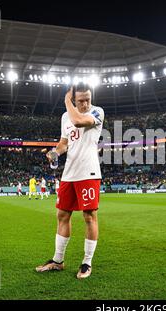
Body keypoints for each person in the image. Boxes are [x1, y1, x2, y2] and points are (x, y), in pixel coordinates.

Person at [36, 84, 104, 279]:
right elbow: (64, 143)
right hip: (69, 173)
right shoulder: (65, 117)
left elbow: (79, 121)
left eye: (87, 100)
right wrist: (55, 152)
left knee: (89, 216)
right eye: (80, 100)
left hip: (89, 172)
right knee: (62, 215)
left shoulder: (97, 112)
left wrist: (67, 100)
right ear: (76, 100)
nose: (84, 104)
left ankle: (86, 263)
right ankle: (58, 261)